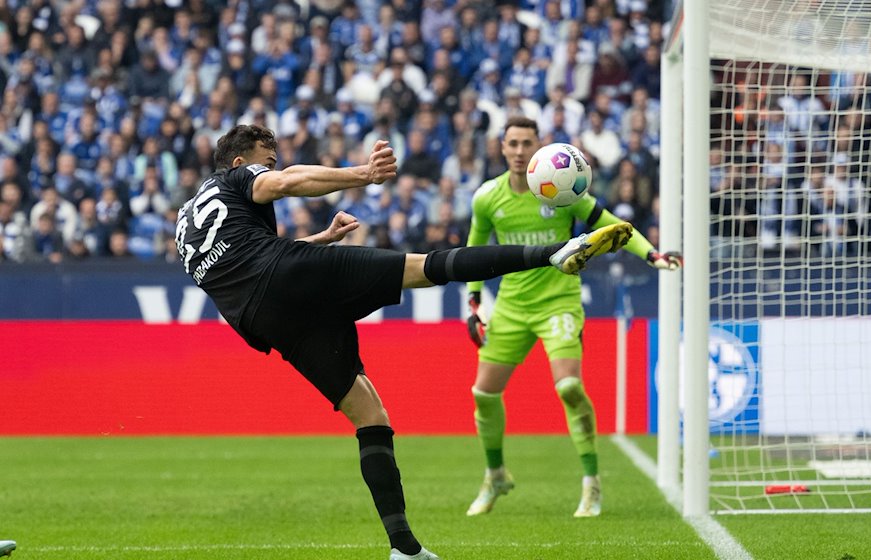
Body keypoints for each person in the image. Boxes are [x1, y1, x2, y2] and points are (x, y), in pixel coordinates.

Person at [174, 124, 634, 560]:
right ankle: (553, 253)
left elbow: (238, 260)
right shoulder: (238, 178)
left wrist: (319, 240)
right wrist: (363, 174)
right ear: (239, 162)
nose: (273, 167)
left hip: (264, 319)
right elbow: (285, 183)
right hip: (284, 276)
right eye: (266, 161)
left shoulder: (186, 219)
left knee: (369, 414)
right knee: (423, 267)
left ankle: (404, 548)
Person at [463, 116, 682, 518]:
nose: (517, 151)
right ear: (501, 146)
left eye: (526, 143)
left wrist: (652, 254)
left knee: (568, 387)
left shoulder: (560, 189)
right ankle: (495, 474)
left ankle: (591, 484)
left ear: (538, 147)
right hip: (511, 306)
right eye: (511, 143)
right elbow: (473, 251)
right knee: (483, 394)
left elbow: (617, 228)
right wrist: (474, 304)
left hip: (559, 303)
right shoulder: (487, 198)